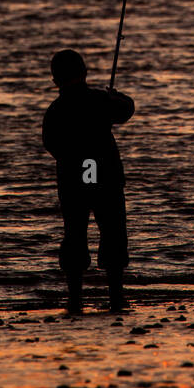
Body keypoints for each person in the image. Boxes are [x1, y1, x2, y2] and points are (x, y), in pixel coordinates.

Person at [42, 48, 135, 315]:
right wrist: (115, 96)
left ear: (55, 80)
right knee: (114, 233)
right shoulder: (100, 101)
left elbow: (51, 143)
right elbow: (126, 110)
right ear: (84, 73)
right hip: (106, 178)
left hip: (73, 181)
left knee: (74, 234)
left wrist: (73, 159)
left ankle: (75, 299)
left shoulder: (56, 109)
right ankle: (116, 297)